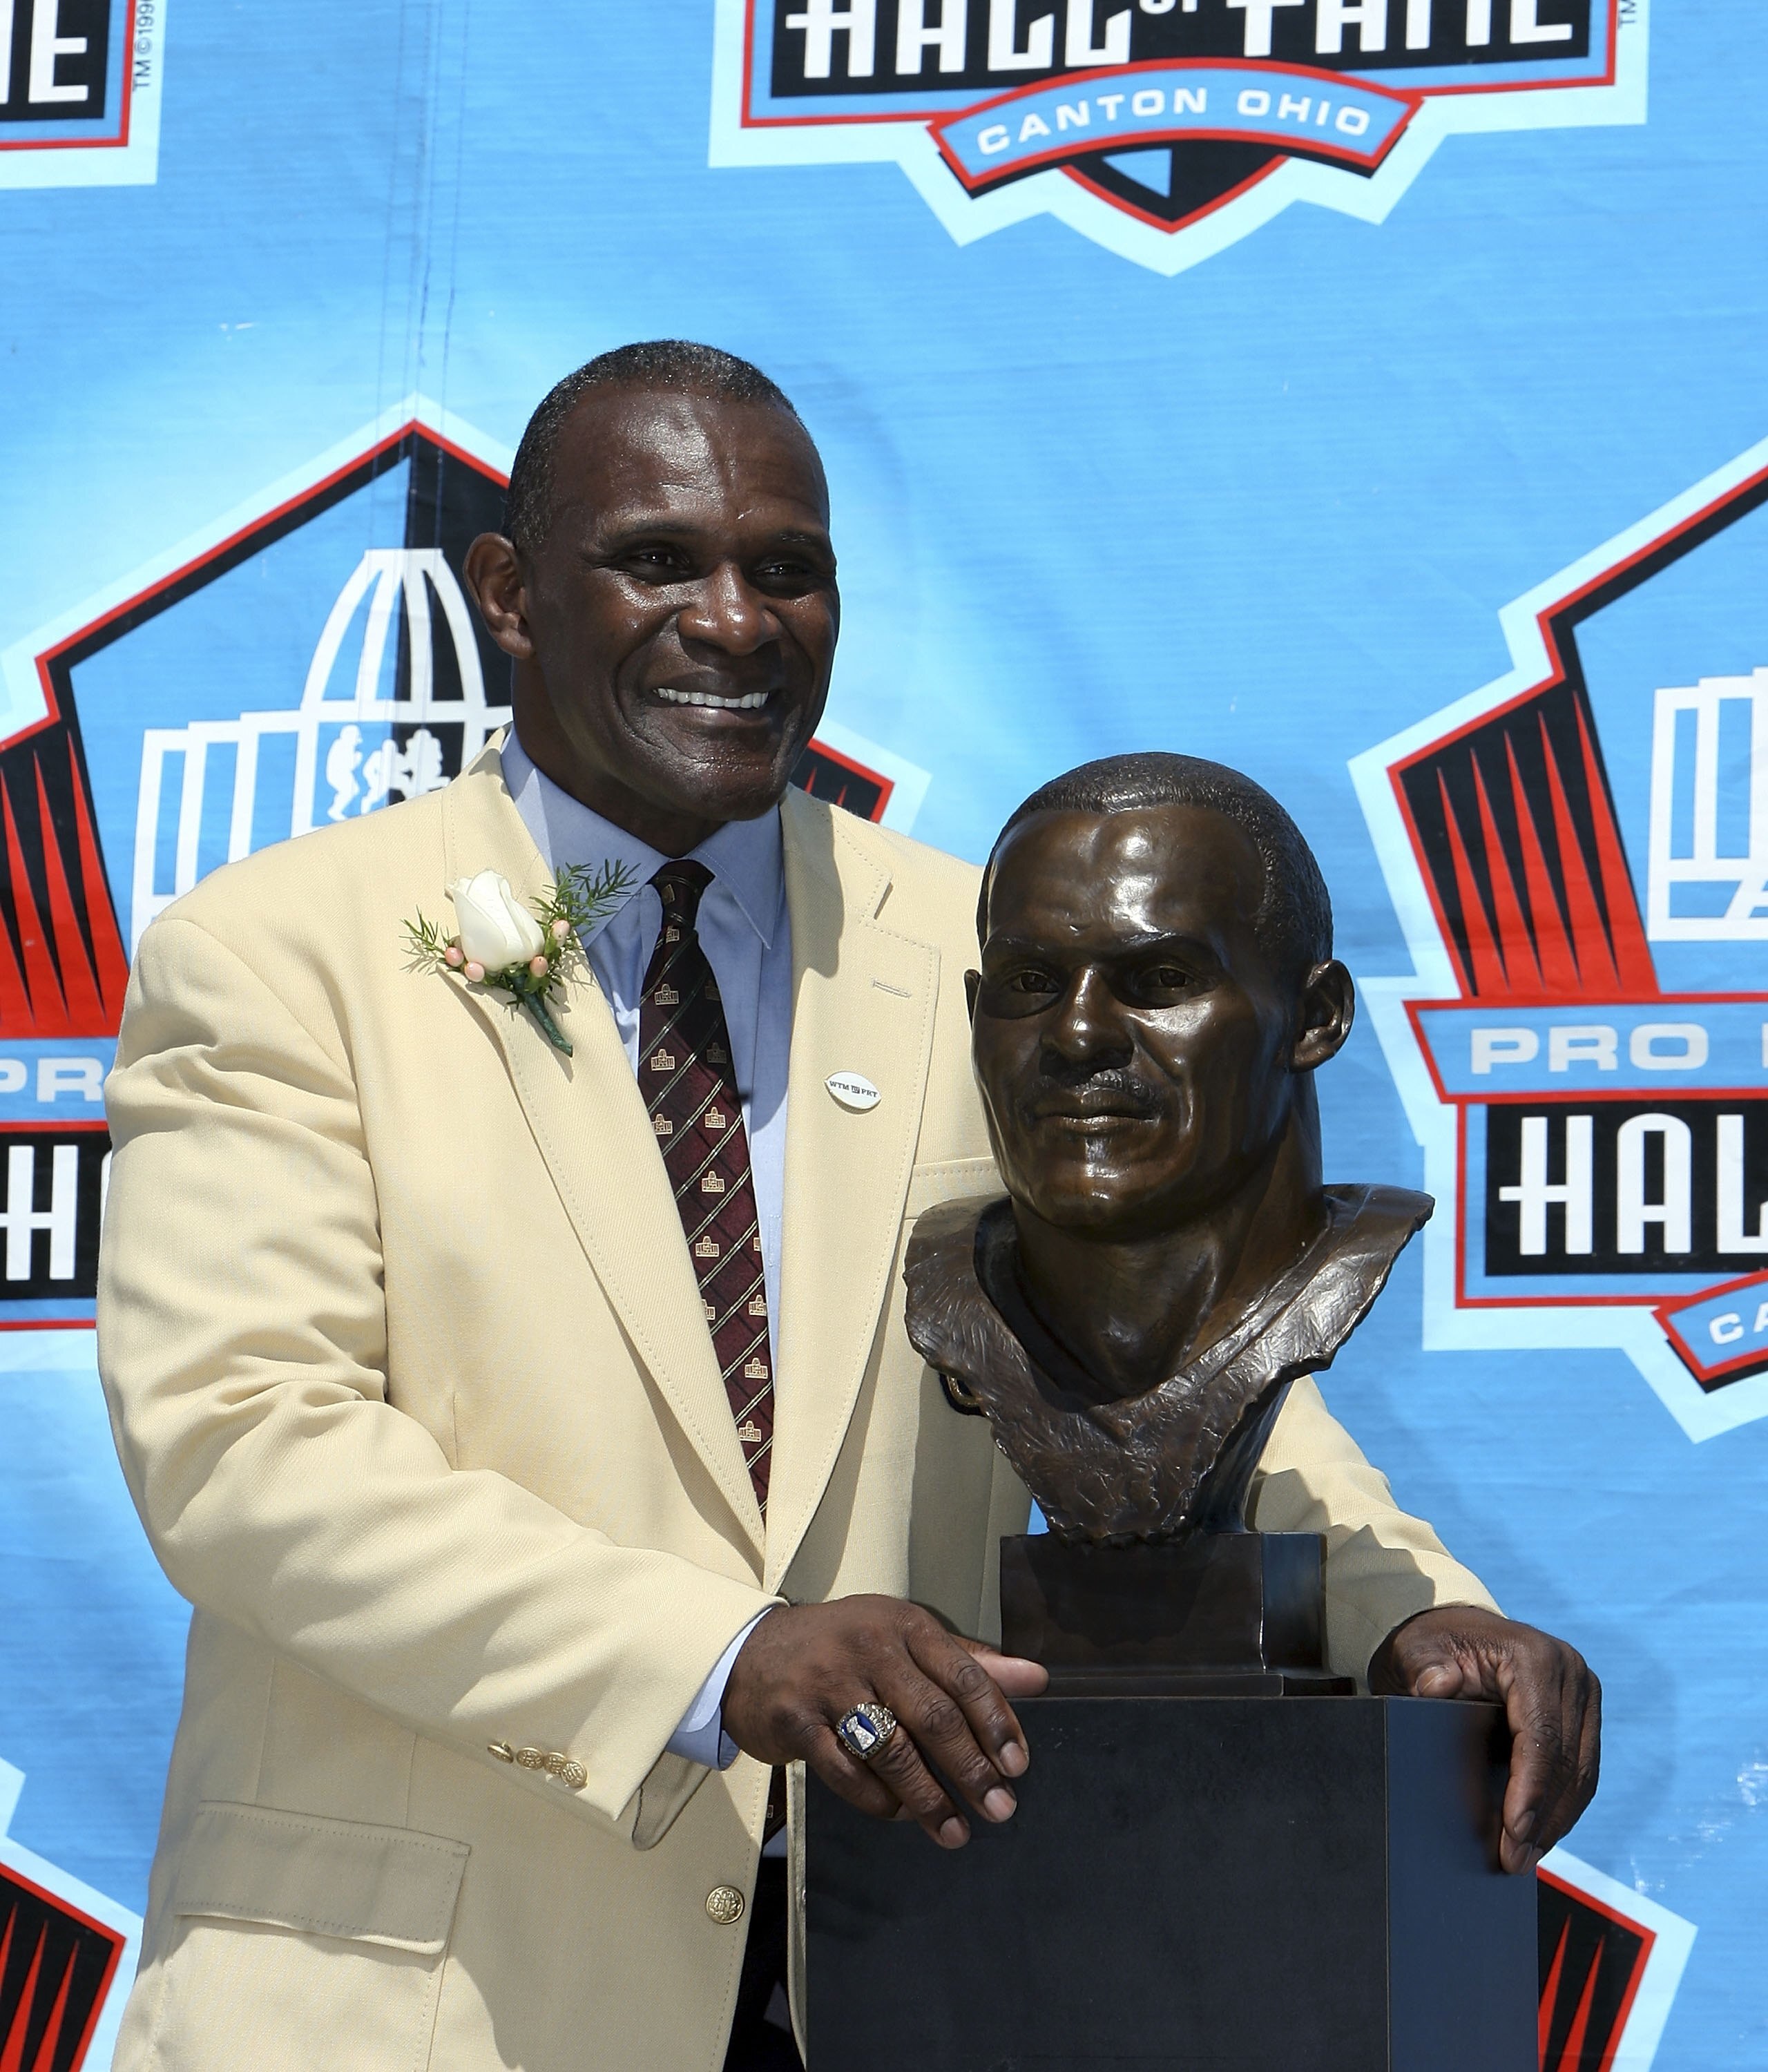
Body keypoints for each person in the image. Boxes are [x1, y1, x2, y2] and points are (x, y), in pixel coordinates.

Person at [98, 345, 1572, 2072]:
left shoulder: (986, 955)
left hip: (918, 1978)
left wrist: (1412, 1607)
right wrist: (720, 1654)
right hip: (429, 2005)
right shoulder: (284, 955)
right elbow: (241, 1447)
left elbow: (1159, 1373)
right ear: (506, 591)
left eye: (784, 569)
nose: (733, 621)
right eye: (659, 559)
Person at [907, 754, 1600, 1868]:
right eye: (1034, 983)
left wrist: (1410, 1612)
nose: (1079, 1035)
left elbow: (1254, 1434)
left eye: (1162, 978)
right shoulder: (951, 1265)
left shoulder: (901, 892)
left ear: (1315, 1017)